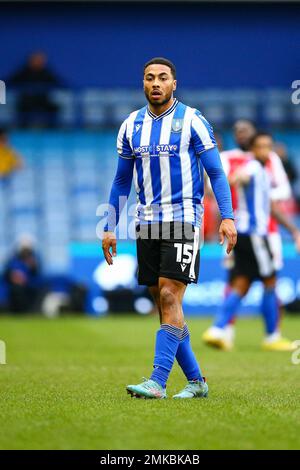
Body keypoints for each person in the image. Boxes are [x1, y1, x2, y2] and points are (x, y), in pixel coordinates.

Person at [102, 57, 236, 399]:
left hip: (183, 220)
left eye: (163, 77)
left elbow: (216, 173)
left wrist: (227, 216)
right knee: (164, 306)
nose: (156, 83)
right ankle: (197, 381)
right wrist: (109, 225)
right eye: (149, 78)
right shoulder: (131, 125)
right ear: (143, 84)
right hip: (146, 224)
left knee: (168, 295)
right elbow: (121, 181)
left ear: (174, 83)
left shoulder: (193, 120)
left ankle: (157, 382)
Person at [203, 132, 299, 351]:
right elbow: (235, 178)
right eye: (261, 147)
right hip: (255, 234)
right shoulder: (253, 167)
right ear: (253, 150)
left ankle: (218, 328)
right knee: (270, 281)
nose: (265, 151)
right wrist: (231, 180)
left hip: (246, 234)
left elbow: (270, 204)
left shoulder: (263, 170)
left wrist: (293, 230)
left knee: (241, 283)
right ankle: (272, 336)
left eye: (268, 146)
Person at [7, 51, 61, 128]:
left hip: (43, 100)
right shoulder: (24, 72)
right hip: (27, 100)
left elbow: (58, 83)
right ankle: (22, 128)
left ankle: (52, 128)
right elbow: (11, 81)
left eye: (41, 60)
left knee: (54, 108)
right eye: (36, 60)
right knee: (21, 108)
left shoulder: (46, 72)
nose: (38, 62)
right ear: (30, 61)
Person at [3, 235, 43, 313]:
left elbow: (37, 276)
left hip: (30, 287)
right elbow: (8, 273)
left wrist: (31, 270)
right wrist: (13, 276)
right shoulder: (14, 259)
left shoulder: (35, 259)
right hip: (15, 287)